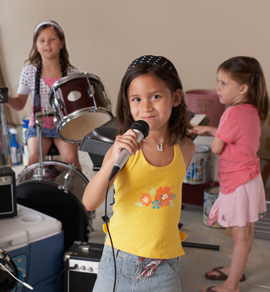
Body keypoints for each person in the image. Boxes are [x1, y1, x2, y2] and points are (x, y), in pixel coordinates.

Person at [83, 55, 195, 292]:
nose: (145, 107)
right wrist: (113, 158)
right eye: (136, 99)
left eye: (155, 96)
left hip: (164, 262)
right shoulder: (122, 149)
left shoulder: (186, 148)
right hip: (119, 260)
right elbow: (90, 202)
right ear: (128, 103)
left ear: (175, 98)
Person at [191, 57, 269, 292]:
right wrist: (211, 129)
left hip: (237, 183)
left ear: (243, 88)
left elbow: (217, 147)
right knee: (247, 232)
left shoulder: (231, 114)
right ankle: (236, 269)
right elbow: (236, 135)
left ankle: (231, 285)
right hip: (251, 179)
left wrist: (212, 134)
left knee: (239, 237)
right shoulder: (252, 109)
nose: (218, 88)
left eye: (224, 83)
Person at [7, 20, 81, 170]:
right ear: (36, 46)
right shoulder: (29, 72)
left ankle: (76, 189)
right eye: (42, 40)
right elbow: (20, 104)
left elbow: (77, 106)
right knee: (34, 159)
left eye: (52, 39)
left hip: (63, 127)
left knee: (71, 158)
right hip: (38, 127)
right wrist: (5, 98)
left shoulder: (72, 72)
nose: (47, 43)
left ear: (61, 43)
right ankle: (30, 190)